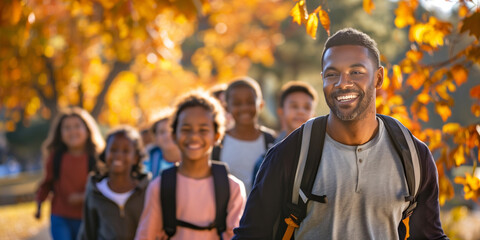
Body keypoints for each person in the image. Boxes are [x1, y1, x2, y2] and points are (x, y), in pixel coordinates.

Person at [233, 28, 448, 239]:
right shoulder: (289, 155)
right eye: (332, 74)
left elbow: (429, 236)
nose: (342, 83)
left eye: (356, 72)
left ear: (379, 78)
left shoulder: (413, 157)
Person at [135, 90, 246, 240]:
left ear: (217, 136)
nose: (194, 136)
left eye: (203, 130)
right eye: (186, 129)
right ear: (174, 135)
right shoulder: (159, 187)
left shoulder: (232, 188)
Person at [34, 107, 105, 240]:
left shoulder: (96, 159)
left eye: (77, 126)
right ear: (60, 134)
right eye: (67, 128)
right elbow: (47, 183)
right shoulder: (55, 158)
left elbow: (104, 187)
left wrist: (84, 196)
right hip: (60, 216)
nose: (72, 131)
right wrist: (39, 204)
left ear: (87, 130)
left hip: (87, 217)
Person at [78, 126, 150, 240]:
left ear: (135, 158)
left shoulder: (148, 189)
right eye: (113, 149)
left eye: (126, 151)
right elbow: (88, 231)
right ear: (105, 153)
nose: (118, 155)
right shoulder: (95, 190)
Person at [211, 77, 276, 193]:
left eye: (250, 102)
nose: (244, 108)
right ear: (226, 107)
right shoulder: (218, 142)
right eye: (237, 103)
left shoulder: (271, 141)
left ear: (260, 105)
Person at [252, 81, 318, 185]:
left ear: (314, 114)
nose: (301, 111)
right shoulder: (266, 159)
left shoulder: (323, 154)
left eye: (307, 107)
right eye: (294, 106)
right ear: (281, 112)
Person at [144, 109, 181, 179]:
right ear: (155, 138)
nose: (167, 135)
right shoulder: (149, 163)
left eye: (171, 130)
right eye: (162, 132)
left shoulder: (191, 159)